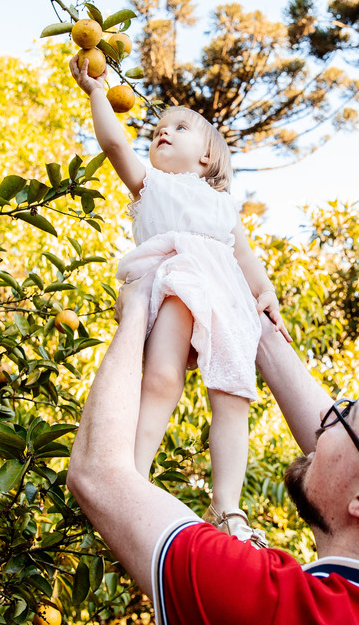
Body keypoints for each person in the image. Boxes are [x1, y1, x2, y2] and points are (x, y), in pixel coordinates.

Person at [67, 274, 359, 624]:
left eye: (344, 417)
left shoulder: (271, 607)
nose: (324, 426)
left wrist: (134, 311)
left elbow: (99, 474)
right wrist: (247, 315)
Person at [68, 53, 290, 545]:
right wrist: (97, 92)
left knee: (233, 395)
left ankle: (228, 507)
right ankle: (134, 475)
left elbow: (245, 256)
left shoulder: (221, 203)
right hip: (174, 282)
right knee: (162, 378)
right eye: (159, 129)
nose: (162, 132)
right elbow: (113, 142)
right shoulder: (152, 183)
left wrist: (266, 292)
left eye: (180, 127)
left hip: (225, 298)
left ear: (207, 156)